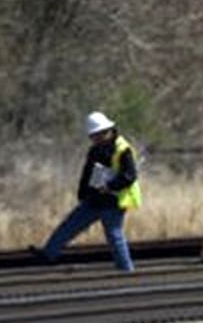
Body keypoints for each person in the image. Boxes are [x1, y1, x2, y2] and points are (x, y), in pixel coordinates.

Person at [31, 111, 141, 272]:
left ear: (108, 131)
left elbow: (129, 176)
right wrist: (82, 193)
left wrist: (110, 186)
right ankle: (48, 255)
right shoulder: (95, 150)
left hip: (113, 201)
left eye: (98, 134)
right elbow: (87, 172)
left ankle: (126, 271)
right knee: (69, 226)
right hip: (95, 199)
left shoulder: (123, 150)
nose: (95, 138)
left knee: (114, 236)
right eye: (93, 136)